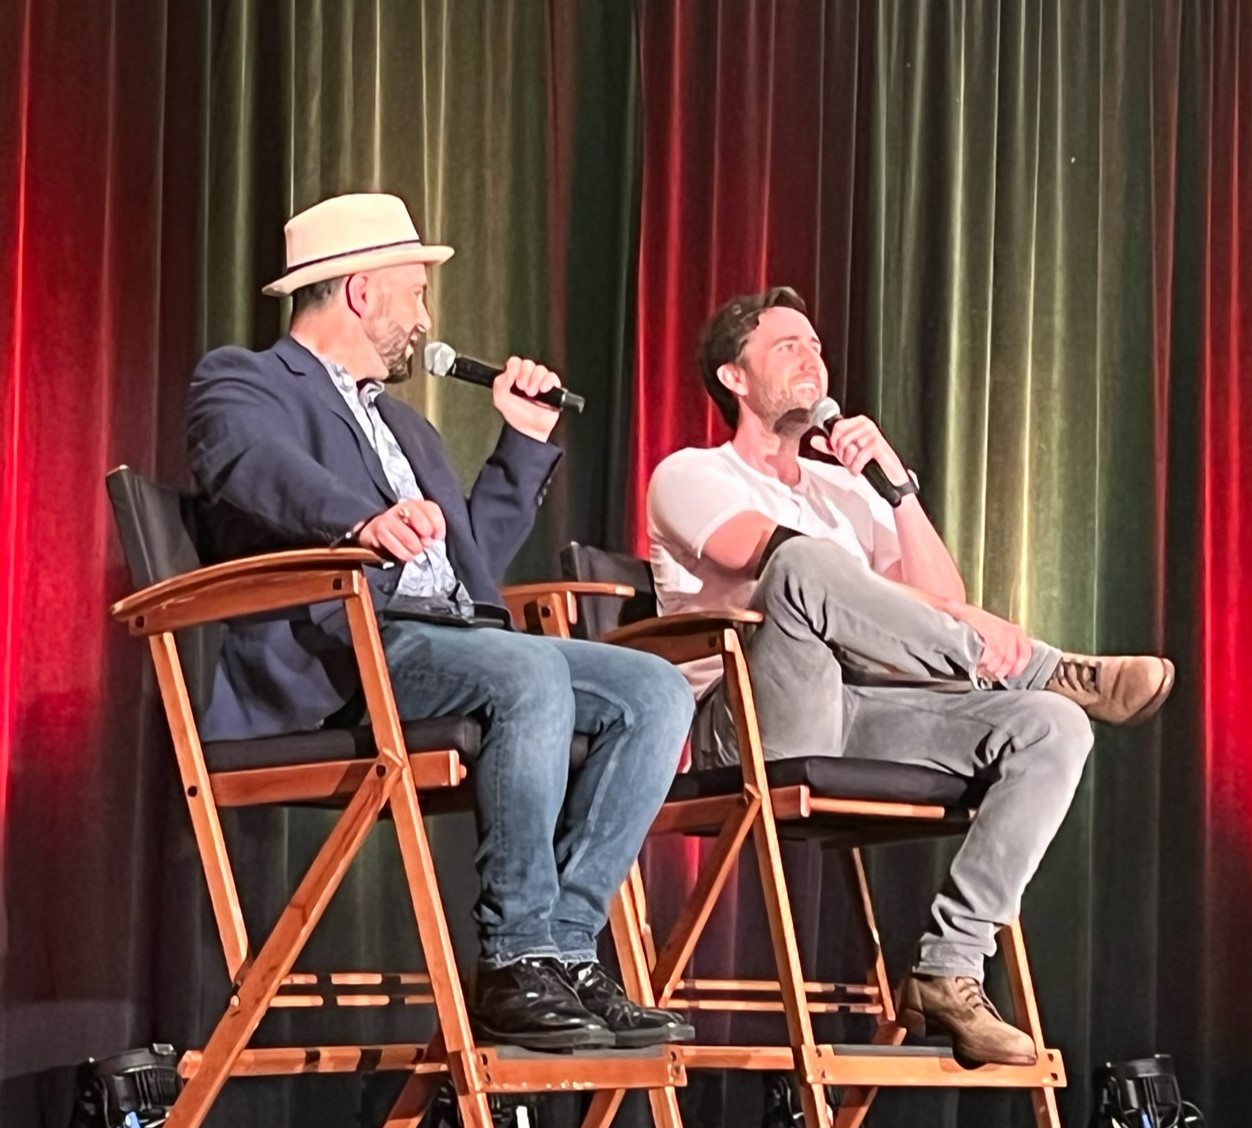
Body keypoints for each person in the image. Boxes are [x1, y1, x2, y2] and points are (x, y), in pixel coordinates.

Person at [188, 192, 695, 1051]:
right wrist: (356, 519)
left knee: (654, 689)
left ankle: (565, 950)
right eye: (415, 293)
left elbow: (469, 565)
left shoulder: (405, 428)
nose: (424, 319)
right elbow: (248, 461)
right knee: (525, 669)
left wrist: (523, 440)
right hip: (343, 654)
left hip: (447, 640)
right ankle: (513, 955)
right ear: (361, 292)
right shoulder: (245, 381)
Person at [647, 286, 1174, 1066]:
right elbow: (764, 557)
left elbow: (944, 597)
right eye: (788, 346)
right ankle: (1044, 666)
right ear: (734, 377)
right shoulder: (691, 474)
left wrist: (895, 489)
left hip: (865, 710)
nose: (812, 360)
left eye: (817, 347)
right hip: (751, 721)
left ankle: (951, 967)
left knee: (1053, 727)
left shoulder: (845, 489)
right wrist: (977, 637)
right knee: (804, 562)